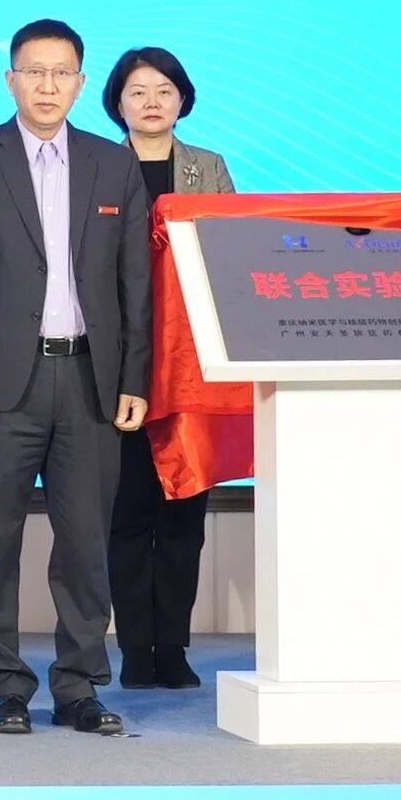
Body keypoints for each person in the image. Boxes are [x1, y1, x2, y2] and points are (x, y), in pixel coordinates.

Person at [0, 19, 149, 738]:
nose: (47, 85)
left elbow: (135, 284)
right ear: (11, 80)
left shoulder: (112, 165)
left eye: (61, 73)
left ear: (81, 84)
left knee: (85, 543)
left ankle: (80, 685)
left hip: (90, 379)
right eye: (34, 71)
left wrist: (135, 377)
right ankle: (4, 686)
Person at [95, 44, 233, 691]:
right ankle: (133, 647)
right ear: (117, 103)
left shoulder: (209, 167)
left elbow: (231, 256)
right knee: (127, 512)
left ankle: (172, 646)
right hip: (118, 359)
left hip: (189, 361)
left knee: (183, 509)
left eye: (164, 90)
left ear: (183, 99)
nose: (151, 102)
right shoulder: (95, 166)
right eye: (138, 91)